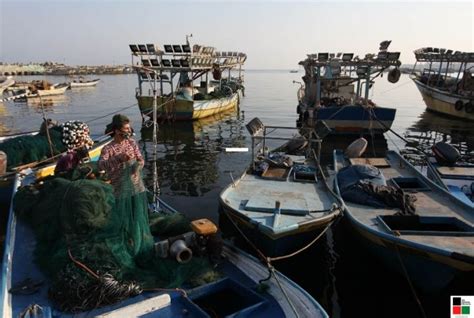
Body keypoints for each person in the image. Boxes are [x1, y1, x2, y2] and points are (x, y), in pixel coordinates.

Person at [98, 114, 145, 196]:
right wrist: (118, 158)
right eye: (126, 128)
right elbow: (101, 165)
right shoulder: (108, 148)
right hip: (119, 189)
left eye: (129, 128)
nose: (129, 131)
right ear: (117, 131)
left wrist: (139, 163)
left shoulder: (132, 142)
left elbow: (140, 158)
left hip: (135, 186)